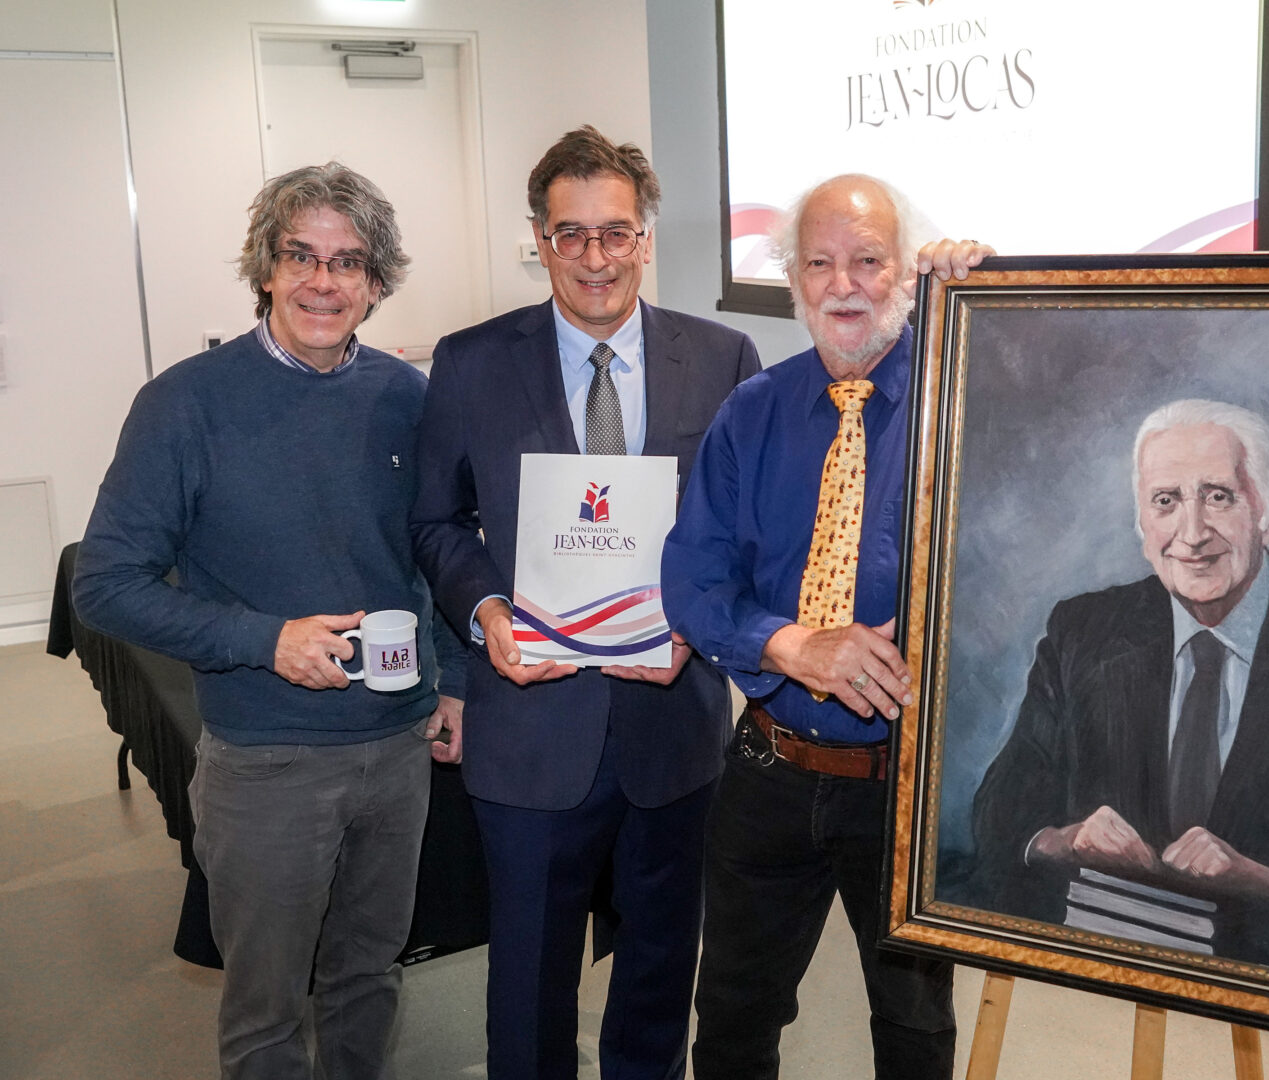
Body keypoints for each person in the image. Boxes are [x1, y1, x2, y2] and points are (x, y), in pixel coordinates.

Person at [73, 162, 464, 1079]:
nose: (323, 282)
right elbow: (106, 584)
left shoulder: (408, 396)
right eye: (301, 257)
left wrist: (459, 681)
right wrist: (267, 640)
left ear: (377, 282)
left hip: (398, 747)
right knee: (266, 1008)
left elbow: (433, 552)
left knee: (370, 976)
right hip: (267, 762)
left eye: (349, 263)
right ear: (266, 267)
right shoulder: (184, 404)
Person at [409, 126, 760, 1080]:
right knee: (526, 993)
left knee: (656, 979)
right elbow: (437, 523)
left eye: (616, 233)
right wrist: (485, 615)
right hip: (530, 721)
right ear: (540, 237)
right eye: (571, 235)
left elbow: (743, 533)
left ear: (646, 237)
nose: (596, 259)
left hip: (671, 721)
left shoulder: (725, 359)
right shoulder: (473, 362)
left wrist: (695, 621)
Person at [661, 173, 990, 1079]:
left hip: (906, 790)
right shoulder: (754, 413)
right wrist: (790, 644)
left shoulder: (969, 391)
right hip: (769, 767)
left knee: (913, 1027)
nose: (843, 285)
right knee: (731, 1017)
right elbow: (691, 577)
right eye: (819, 263)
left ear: (905, 273)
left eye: (870, 261)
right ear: (793, 280)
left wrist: (998, 305)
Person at [969, 398, 1269, 992]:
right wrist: (1065, 839)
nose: (1192, 534)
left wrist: (1268, 881)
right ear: (1141, 523)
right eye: (1166, 501)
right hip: (1104, 961)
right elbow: (1000, 811)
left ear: (1266, 511)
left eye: (1218, 496)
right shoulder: (1084, 632)